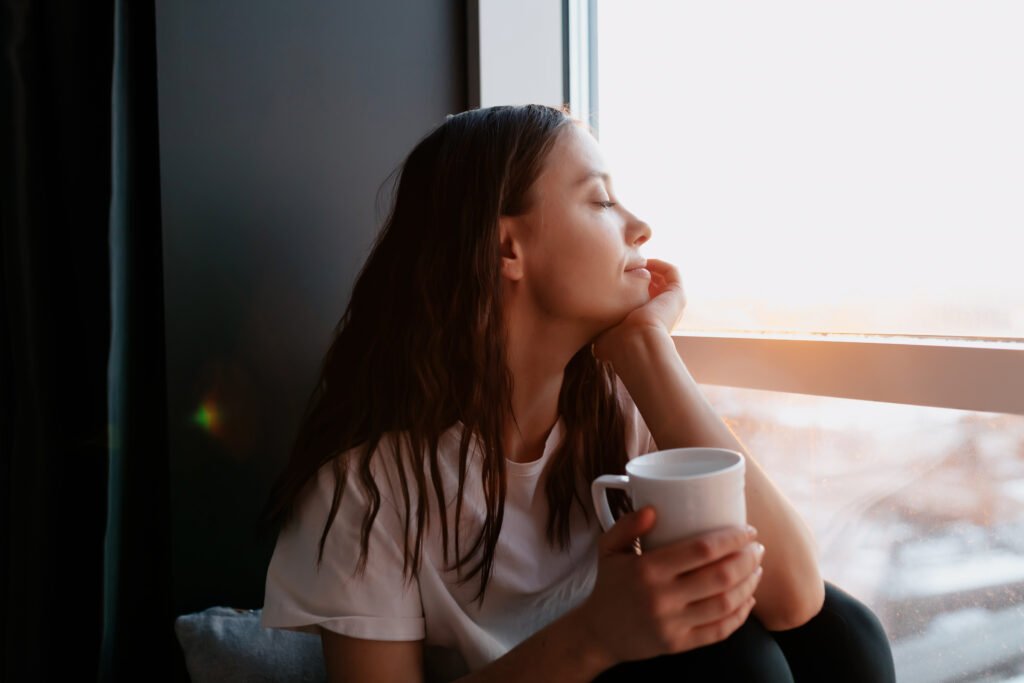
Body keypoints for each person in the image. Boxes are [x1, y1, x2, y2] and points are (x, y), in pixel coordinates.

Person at [257, 104, 896, 682]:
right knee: (740, 667)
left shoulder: (615, 405)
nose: (641, 227)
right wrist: (594, 635)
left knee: (846, 635)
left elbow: (795, 600)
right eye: (601, 202)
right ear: (508, 248)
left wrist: (648, 349)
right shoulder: (366, 488)